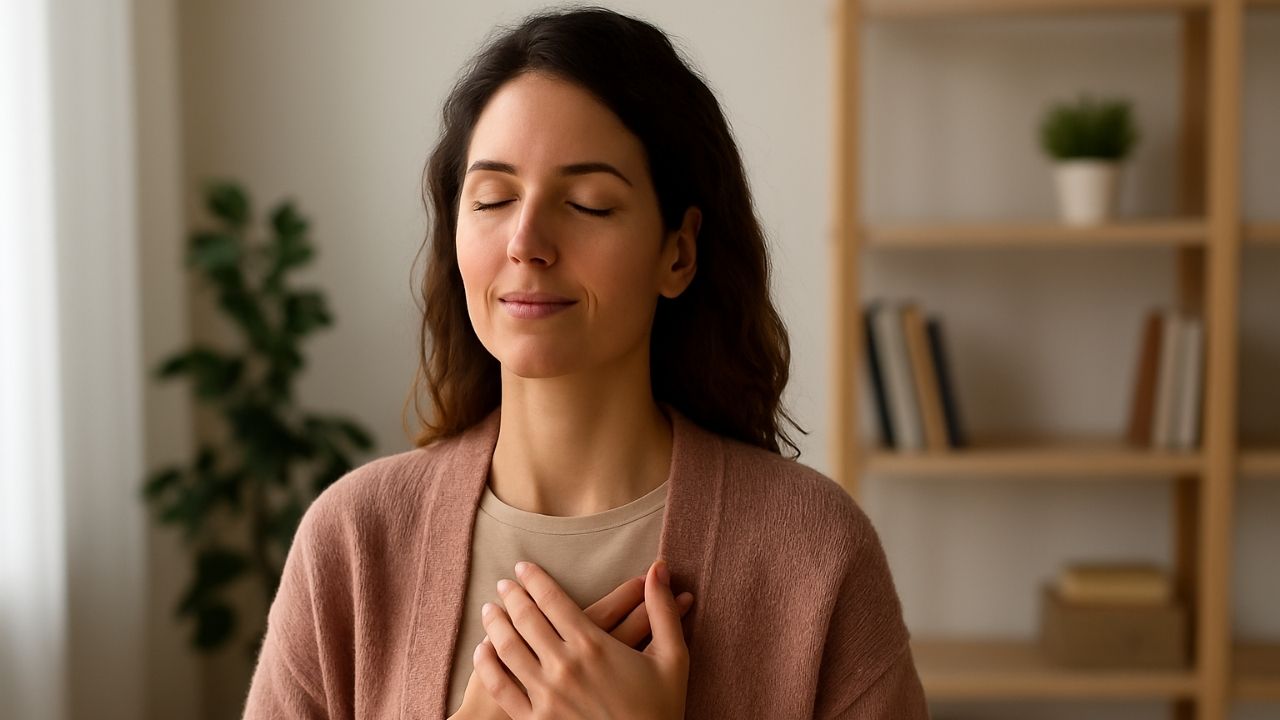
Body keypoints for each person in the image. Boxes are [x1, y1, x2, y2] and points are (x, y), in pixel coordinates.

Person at [243, 6, 929, 719]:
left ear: (678, 253)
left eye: (588, 203)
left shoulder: (815, 551)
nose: (526, 241)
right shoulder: (353, 541)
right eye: (493, 199)